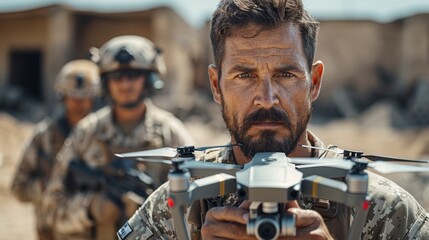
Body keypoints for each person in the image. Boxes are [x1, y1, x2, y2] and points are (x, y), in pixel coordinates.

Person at [118, 0, 429, 239]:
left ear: (315, 82)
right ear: (215, 86)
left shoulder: (386, 210)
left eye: (285, 74)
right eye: (244, 75)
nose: (266, 99)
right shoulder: (176, 206)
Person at [42, 35, 194, 240]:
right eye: (116, 76)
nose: (125, 84)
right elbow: (51, 207)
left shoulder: (171, 133)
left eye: (133, 75)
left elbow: (198, 210)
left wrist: (153, 212)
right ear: (105, 82)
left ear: (149, 79)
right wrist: (91, 208)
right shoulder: (86, 132)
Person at [11, 59, 100, 240]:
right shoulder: (44, 136)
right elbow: (18, 187)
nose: (79, 103)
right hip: (51, 232)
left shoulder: (102, 135)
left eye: (84, 97)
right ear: (63, 96)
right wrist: (46, 187)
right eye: (73, 97)